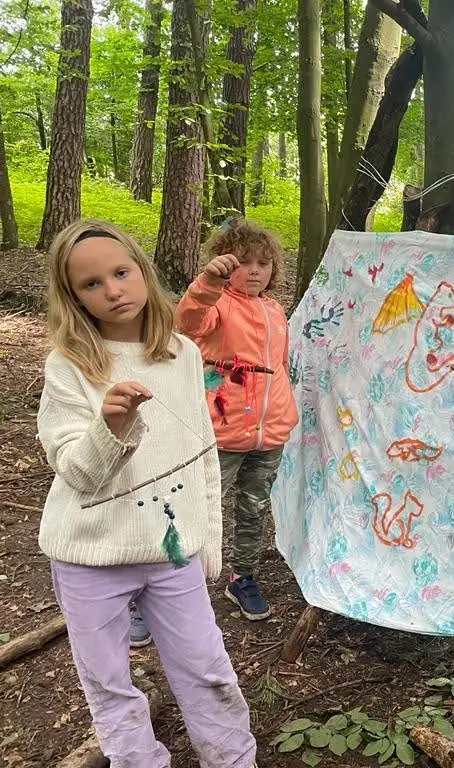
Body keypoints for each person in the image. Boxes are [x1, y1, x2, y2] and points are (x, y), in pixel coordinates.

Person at [36, 219, 256, 767]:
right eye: (91, 283)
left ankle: (233, 759)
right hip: (89, 556)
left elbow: (203, 454)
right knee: (109, 684)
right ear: (74, 297)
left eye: (121, 272)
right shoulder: (69, 365)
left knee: (208, 671)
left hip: (172, 553)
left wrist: (207, 542)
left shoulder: (182, 353)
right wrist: (111, 426)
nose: (112, 290)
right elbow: (76, 472)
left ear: (142, 270)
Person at [174, 217, 297, 621]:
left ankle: (241, 577)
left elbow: (279, 365)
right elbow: (188, 322)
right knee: (200, 505)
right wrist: (208, 283)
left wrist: (284, 410)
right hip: (222, 430)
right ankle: (173, 581)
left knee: (253, 507)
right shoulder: (218, 304)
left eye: (264, 262)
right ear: (227, 264)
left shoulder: (275, 310)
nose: (255, 271)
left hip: (269, 432)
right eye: (245, 262)